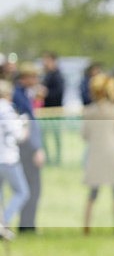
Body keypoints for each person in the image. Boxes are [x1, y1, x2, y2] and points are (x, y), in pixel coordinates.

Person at [81, 73, 114, 234]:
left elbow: (84, 135)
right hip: (113, 154)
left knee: (93, 193)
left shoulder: (89, 111)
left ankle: (86, 226)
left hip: (95, 155)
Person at [12, 62, 45, 234]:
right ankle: (26, 225)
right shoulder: (19, 96)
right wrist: (36, 149)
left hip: (26, 148)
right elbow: (26, 125)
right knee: (31, 188)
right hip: (26, 150)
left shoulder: (24, 95)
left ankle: (28, 224)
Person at [0, 79, 30, 239]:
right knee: (22, 192)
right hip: (8, 159)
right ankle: (4, 223)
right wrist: (24, 126)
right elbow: (18, 135)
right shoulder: (7, 110)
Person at [40, 51, 65, 165]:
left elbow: (59, 93)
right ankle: (48, 159)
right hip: (45, 111)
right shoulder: (46, 75)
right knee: (44, 137)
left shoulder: (58, 75)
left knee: (56, 137)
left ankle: (57, 159)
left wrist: (46, 94)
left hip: (55, 110)